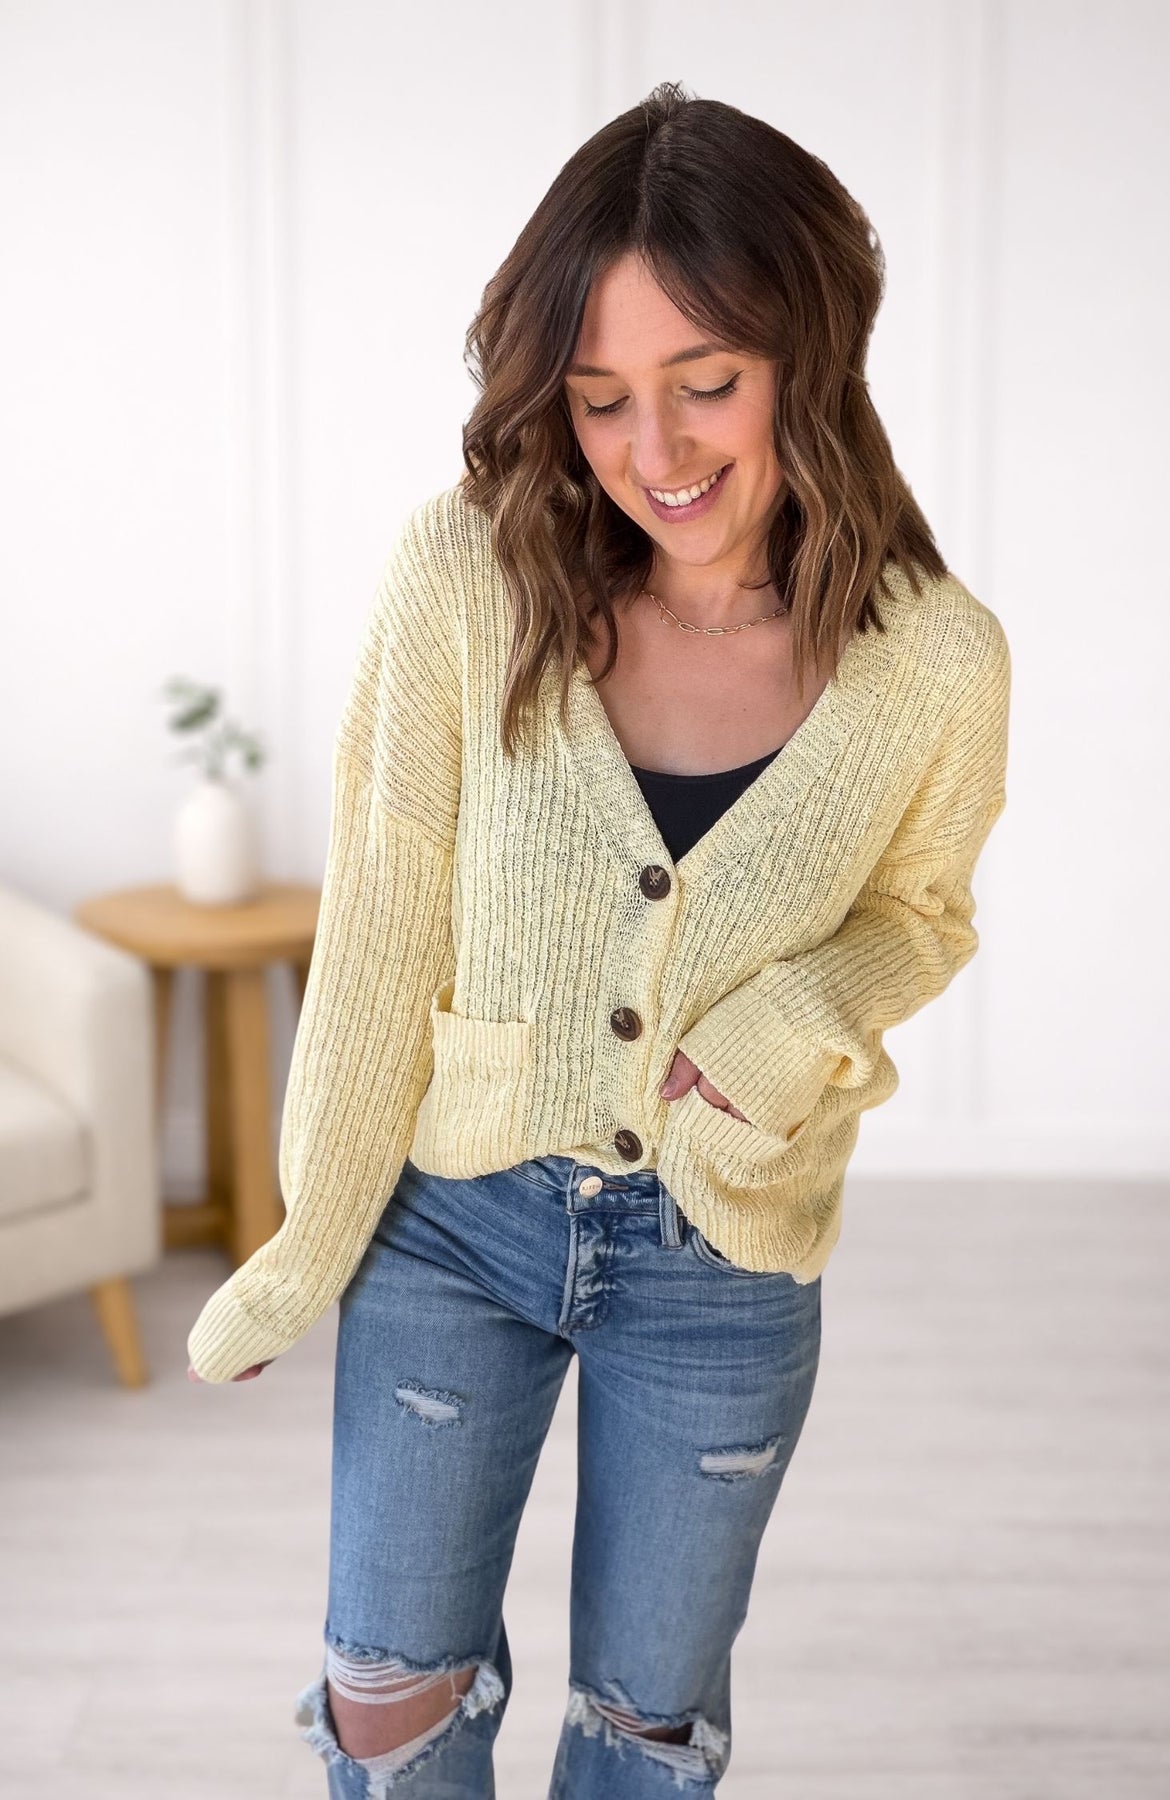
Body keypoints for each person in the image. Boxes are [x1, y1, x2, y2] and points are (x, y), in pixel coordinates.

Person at [185, 79, 1011, 1798]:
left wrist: (783, 1033)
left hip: (727, 1254)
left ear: (808, 348)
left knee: (646, 1732)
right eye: (599, 399)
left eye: (708, 382)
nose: (658, 452)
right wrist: (306, 1237)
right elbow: (380, 930)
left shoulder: (935, 660)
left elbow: (919, 915)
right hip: (454, 1224)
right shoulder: (461, 577)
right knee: (386, 1699)